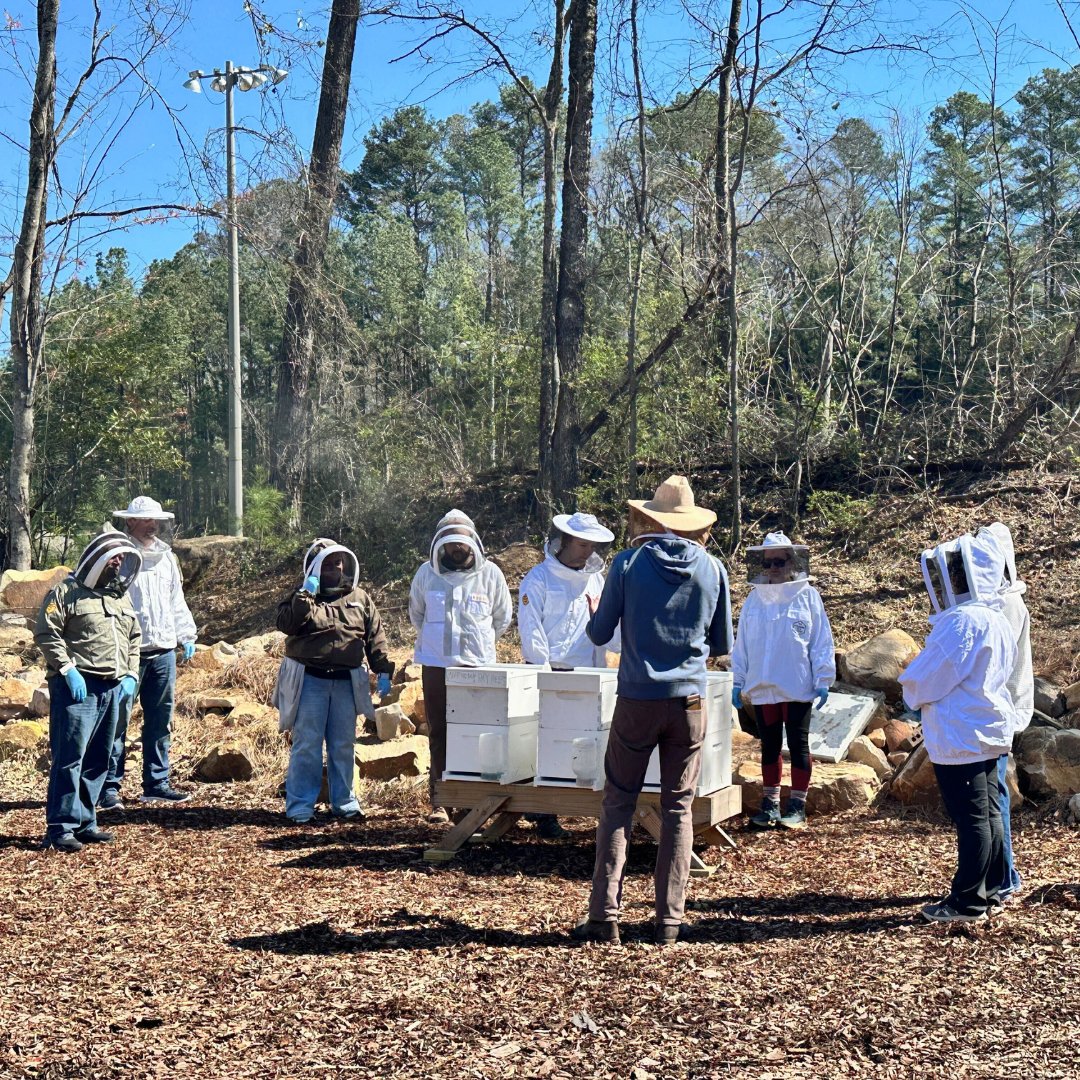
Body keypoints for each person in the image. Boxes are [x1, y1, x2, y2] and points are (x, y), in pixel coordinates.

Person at [573, 475, 732, 945]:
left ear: (653, 518)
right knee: (678, 808)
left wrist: (594, 609)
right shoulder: (713, 569)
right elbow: (720, 645)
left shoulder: (626, 564)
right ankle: (669, 921)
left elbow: (600, 635)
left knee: (619, 802)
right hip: (688, 703)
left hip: (637, 699)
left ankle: (604, 917)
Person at [899, 531, 1018, 923]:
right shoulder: (994, 617)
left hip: (963, 735)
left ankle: (967, 901)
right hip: (985, 730)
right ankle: (992, 888)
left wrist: (911, 692)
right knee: (987, 815)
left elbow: (927, 678)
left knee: (972, 819)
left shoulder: (963, 622)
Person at [35, 532, 144, 851]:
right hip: (77, 688)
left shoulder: (119, 596)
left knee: (99, 757)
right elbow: (46, 631)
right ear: (96, 558)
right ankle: (60, 828)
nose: (119, 562)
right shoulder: (66, 591)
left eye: (123, 558)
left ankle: (85, 821)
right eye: (114, 557)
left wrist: (131, 676)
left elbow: (134, 637)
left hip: (114, 688)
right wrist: (67, 670)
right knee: (70, 757)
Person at [277, 538, 395, 824]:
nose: (333, 569)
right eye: (327, 564)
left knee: (343, 745)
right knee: (307, 744)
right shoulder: (303, 595)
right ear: (314, 567)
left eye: (337, 563)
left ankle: (344, 803)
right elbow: (286, 624)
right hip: (310, 681)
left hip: (345, 681)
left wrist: (383, 670)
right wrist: (305, 595)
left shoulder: (360, 597)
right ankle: (300, 806)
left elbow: (374, 635)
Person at [409, 510, 513, 824]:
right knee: (439, 731)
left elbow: (502, 618)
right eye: (451, 541)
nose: (457, 548)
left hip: (478, 666)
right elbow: (417, 615)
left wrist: (476, 644)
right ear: (441, 543)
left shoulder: (491, 573)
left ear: (473, 540)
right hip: (437, 665)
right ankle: (441, 801)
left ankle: (472, 801)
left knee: (477, 733)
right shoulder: (426, 574)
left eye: (462, 540)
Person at [518, 511, 617, 840]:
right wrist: (542, 672)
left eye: (592, 545)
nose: (587, 551)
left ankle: (592, 808)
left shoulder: (596, 579)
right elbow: (531, 629)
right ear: (564, 541)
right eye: (582, 544)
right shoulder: (538, 578)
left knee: (587, 742)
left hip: (590, 673)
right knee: (549, 742)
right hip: (552, 674)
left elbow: (604, 625)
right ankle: (546, 813)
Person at [730, 532, 835, 830]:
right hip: (763, 684)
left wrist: (824, 677)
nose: (774, 567)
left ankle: (798, 805)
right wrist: (738, 680)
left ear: (792, 562)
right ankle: (770, 805)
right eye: (768, 562)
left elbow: (820, 640)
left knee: (799, 745)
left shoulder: (808, 595)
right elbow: (744, 643)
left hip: (798, 683)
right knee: (770, 746)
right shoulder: (754, 599)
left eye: (779, 561)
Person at [100, 495, 198, 809]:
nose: (153, 525)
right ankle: (107, 787)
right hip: (129, 653)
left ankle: (156, 783)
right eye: (146, 520)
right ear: (130, 522)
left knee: (160, 720)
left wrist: (187, 634)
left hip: (164, 650)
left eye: (156, 521)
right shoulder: (119, 556)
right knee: (116, 721)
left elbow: (175, 600)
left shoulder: (167, 557)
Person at [976, 522, 1032, 902]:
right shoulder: (999, 601)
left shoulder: (1007, 603)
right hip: (993, 712)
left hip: (998, 712)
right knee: (990, 799)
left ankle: (1004, 875)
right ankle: (999, 873)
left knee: (993, 799)